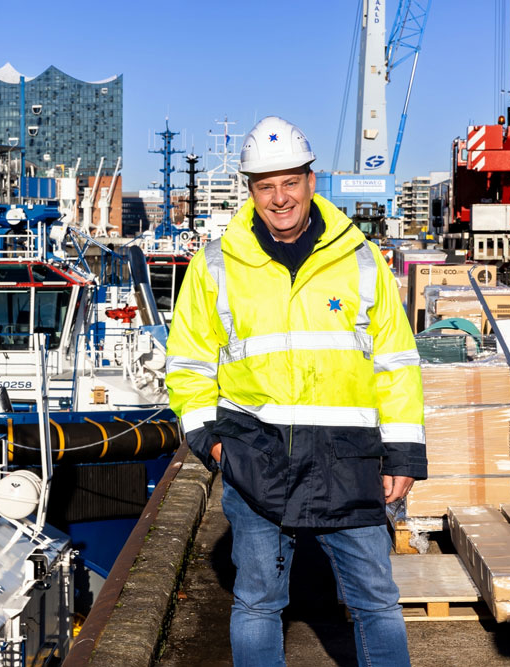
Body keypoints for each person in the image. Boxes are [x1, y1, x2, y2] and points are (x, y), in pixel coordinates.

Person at [165, 116, 426, 666]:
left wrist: (403, 452)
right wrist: (213, 445)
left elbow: (395, 363)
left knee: (377, 602)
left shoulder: (360, 259)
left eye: (290, 182)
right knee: (258, 603)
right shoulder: (215, 265)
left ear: (311, 181)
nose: (280, 197)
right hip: (256, 457)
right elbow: (187, 366)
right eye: (266, 185)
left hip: (348, 458)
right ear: (251, 191)